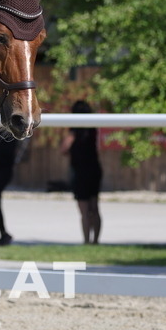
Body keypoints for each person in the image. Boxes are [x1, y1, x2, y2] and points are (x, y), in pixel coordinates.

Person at [61, 100, 102, 244]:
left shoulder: (75, 130)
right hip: (94, 169)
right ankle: (95, 241)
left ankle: (86, 241)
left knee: (85, 211)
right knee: (94, 207)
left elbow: (65, 148)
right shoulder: (92, 127)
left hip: (80, 171)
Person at [0, 115, 28, 247]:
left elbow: (7, 153)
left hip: (3, 170)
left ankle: (4, 234)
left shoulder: (9, 131)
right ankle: (4, 234)